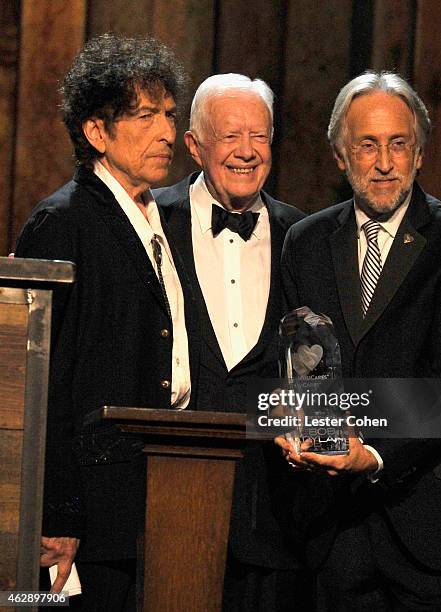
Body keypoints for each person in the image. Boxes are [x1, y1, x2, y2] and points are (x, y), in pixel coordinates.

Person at [278, 71, 441, 610]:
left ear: (419, 153)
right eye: (367, 145)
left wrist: (372, 453)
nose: (384, 163)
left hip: (436, 526)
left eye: (399, 145)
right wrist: (296, 428)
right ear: (339, 155)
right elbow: (303, 365)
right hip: (334, 530)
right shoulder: (305, 243)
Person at [15, 34, 196, 610]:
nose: (167, 132)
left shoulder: (153, 213)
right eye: (145, 117)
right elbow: (39, 381)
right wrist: (56, 511)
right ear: (97, 132)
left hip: (145, 495)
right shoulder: (64, 221)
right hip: (82, 512)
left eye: (170, 114)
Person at [154, 74, 306, 611]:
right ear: (195, 146)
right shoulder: (149, 223)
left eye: (259, 136)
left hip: (276, 519)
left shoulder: (304, 237)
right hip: (170, 504)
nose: (247, 152)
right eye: (229, 137)